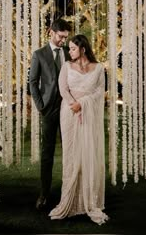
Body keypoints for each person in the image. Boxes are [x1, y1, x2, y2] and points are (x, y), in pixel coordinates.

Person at [49, 34, 109, 225]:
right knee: (72, 155)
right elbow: (62, 88)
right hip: (70, 114)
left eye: (73, 48)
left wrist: (83, 103)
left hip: (89, 116)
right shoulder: (67, 66)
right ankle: (70, 199)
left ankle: (89, 200)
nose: (70, 51)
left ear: (83, 49)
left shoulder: (99, 68)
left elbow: (100, 92)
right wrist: (74, 104)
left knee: (89, 155)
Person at [29, 19, 71, 210]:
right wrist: (40, 106)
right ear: (51, 32)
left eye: (66, 37)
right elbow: (32, 82)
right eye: (61, 36)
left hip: (68, 110)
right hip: (49, 111)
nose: (63, 40)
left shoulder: (70, 52)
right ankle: (44, 194)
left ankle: (70, 193)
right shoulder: (39, 54)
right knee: (47, 154)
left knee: (70, 152)